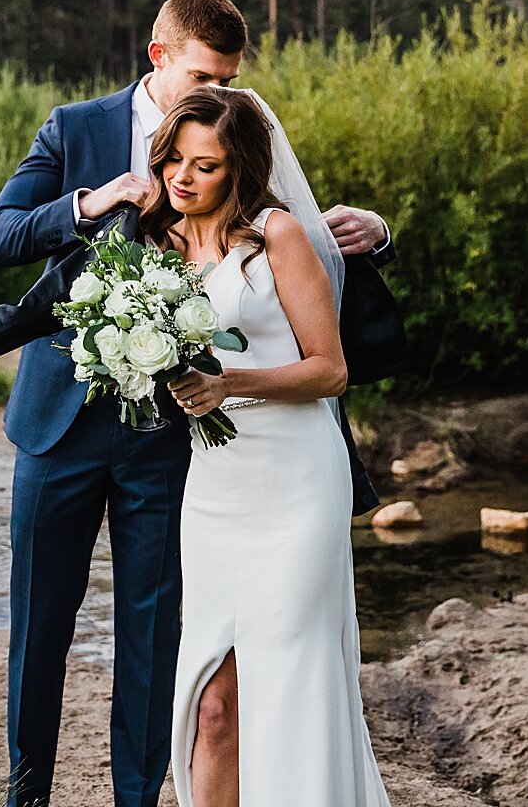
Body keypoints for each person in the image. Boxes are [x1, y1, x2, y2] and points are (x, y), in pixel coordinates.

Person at [0, 0, 391, 806]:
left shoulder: (248, 199)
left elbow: (309, 277)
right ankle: (25, 798)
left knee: (159, 652)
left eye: (206, 152)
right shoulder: (107, 181)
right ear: (159, 59)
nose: (187, 167)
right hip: (61, 432)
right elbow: (8, 298)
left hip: (178, 450)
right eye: (198, 83)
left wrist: (373, 232)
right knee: (42, 633)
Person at [151, 85, 390, 807]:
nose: (183, 179)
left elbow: (331, 368)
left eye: (207, 166)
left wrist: (229, 384)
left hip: (296, 483)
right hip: (217, 486)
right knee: (213, 705)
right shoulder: (153, 247)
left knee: (288, 690)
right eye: (176, 162)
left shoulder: (277, 235)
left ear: (242, 170)